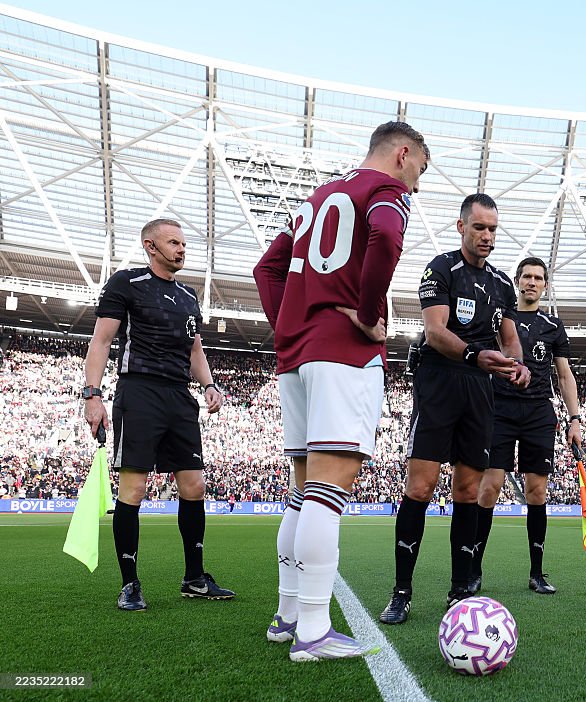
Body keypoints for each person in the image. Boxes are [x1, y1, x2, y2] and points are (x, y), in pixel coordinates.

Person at [253, 121, 429, 660]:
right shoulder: (384, 190)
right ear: (402, 154)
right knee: (327, 491)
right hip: (343, 352)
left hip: (297, 355)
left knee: (301, 490)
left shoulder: (318, 197)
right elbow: (387, 237)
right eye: (420, 170)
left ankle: (287, 615)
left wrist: (291, 328)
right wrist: (369, 314)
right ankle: (312, 631)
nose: (417, 184)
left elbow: (266, 270)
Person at [379, 193, 531, 625]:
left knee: (467, 491)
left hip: (480, 390)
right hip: (440, 382)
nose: (487, 236)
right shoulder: (441, 269)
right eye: (479, 227)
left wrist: (517, 364)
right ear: (462, 227)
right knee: (421, 488)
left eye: (493, 229)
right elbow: (435, 331)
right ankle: (402, 591)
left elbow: (510, 339)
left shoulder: (502, 284)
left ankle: (460, 590)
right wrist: (475, 356)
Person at [83, 218, 234, 612]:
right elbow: (101, 341)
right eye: (173, 242)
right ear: (150, 246)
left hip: (179, 396)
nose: (181, 249)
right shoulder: (126, 283)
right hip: (139, 392)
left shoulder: (188, 296)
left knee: (195, 486)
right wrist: (92, 395)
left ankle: (194, 578)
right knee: (133, 490)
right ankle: (130, 584)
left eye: (183, 243)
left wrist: (209, 384)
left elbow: (195, 350)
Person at [471, 256, 582, 596]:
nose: (532, 282)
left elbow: (564, 375)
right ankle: (472, 571)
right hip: (499, 410)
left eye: (538, 277)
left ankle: (537, 573)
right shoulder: (499, 318)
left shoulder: (553, 325)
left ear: (545, 285)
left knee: (537, 492)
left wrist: (575, 418)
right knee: (489, 488)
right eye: (527, 276)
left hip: (538, 413)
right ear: (518, 281)